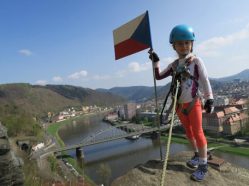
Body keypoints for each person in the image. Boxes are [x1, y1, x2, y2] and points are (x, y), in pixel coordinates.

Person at [149, 24, 214, 182]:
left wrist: (209, 98)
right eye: (179, 43)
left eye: (186, 42)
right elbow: (158, 76)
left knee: (198, 133)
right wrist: (155, 62)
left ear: (191, 44)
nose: (183, 46)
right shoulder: (174, 65)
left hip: (193, 103)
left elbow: (204, 80)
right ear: (174, 46)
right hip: (179, 106)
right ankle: (197, 155)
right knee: (189, 133)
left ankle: (203, 165)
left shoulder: (196, 61)